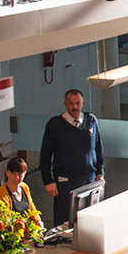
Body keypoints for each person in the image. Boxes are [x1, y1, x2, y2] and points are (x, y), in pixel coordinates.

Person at [40, 89, 103, 227]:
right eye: (71, 103)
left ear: (83, 103)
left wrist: (100, 172)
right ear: (65, 104)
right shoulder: (55, 125)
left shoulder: (91, 121)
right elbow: (45, 155)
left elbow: (98, 148)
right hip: (65, 182)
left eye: (77, 103)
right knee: (64, 222)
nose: (74, 107)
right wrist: (48, 181)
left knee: (89, 221)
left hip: (89, 180)